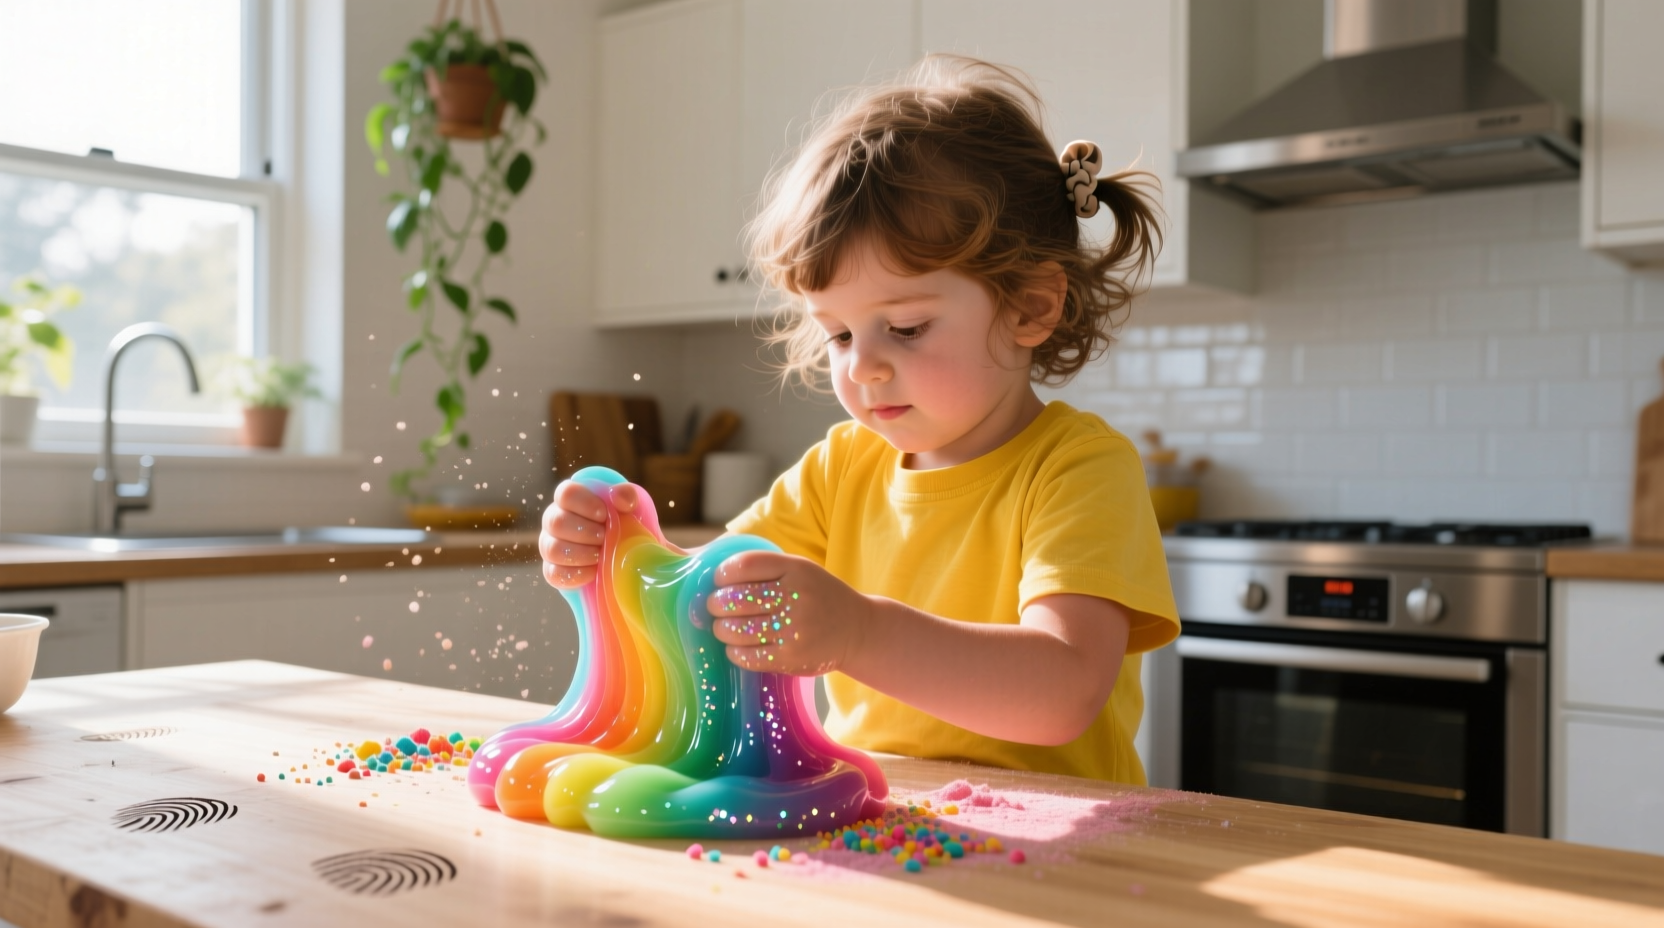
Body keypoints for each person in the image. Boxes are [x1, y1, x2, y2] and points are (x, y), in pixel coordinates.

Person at [541, 56, 1179, 784]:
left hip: (1069, 847)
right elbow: (704, 602)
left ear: (1031, 307)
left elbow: (1062, 696)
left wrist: (861, 632)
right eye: (838, 334)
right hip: (885, 822)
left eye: (905, 328)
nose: (861, 367)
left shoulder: (1078, 468)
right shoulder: (841, 466)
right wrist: (616, 560)